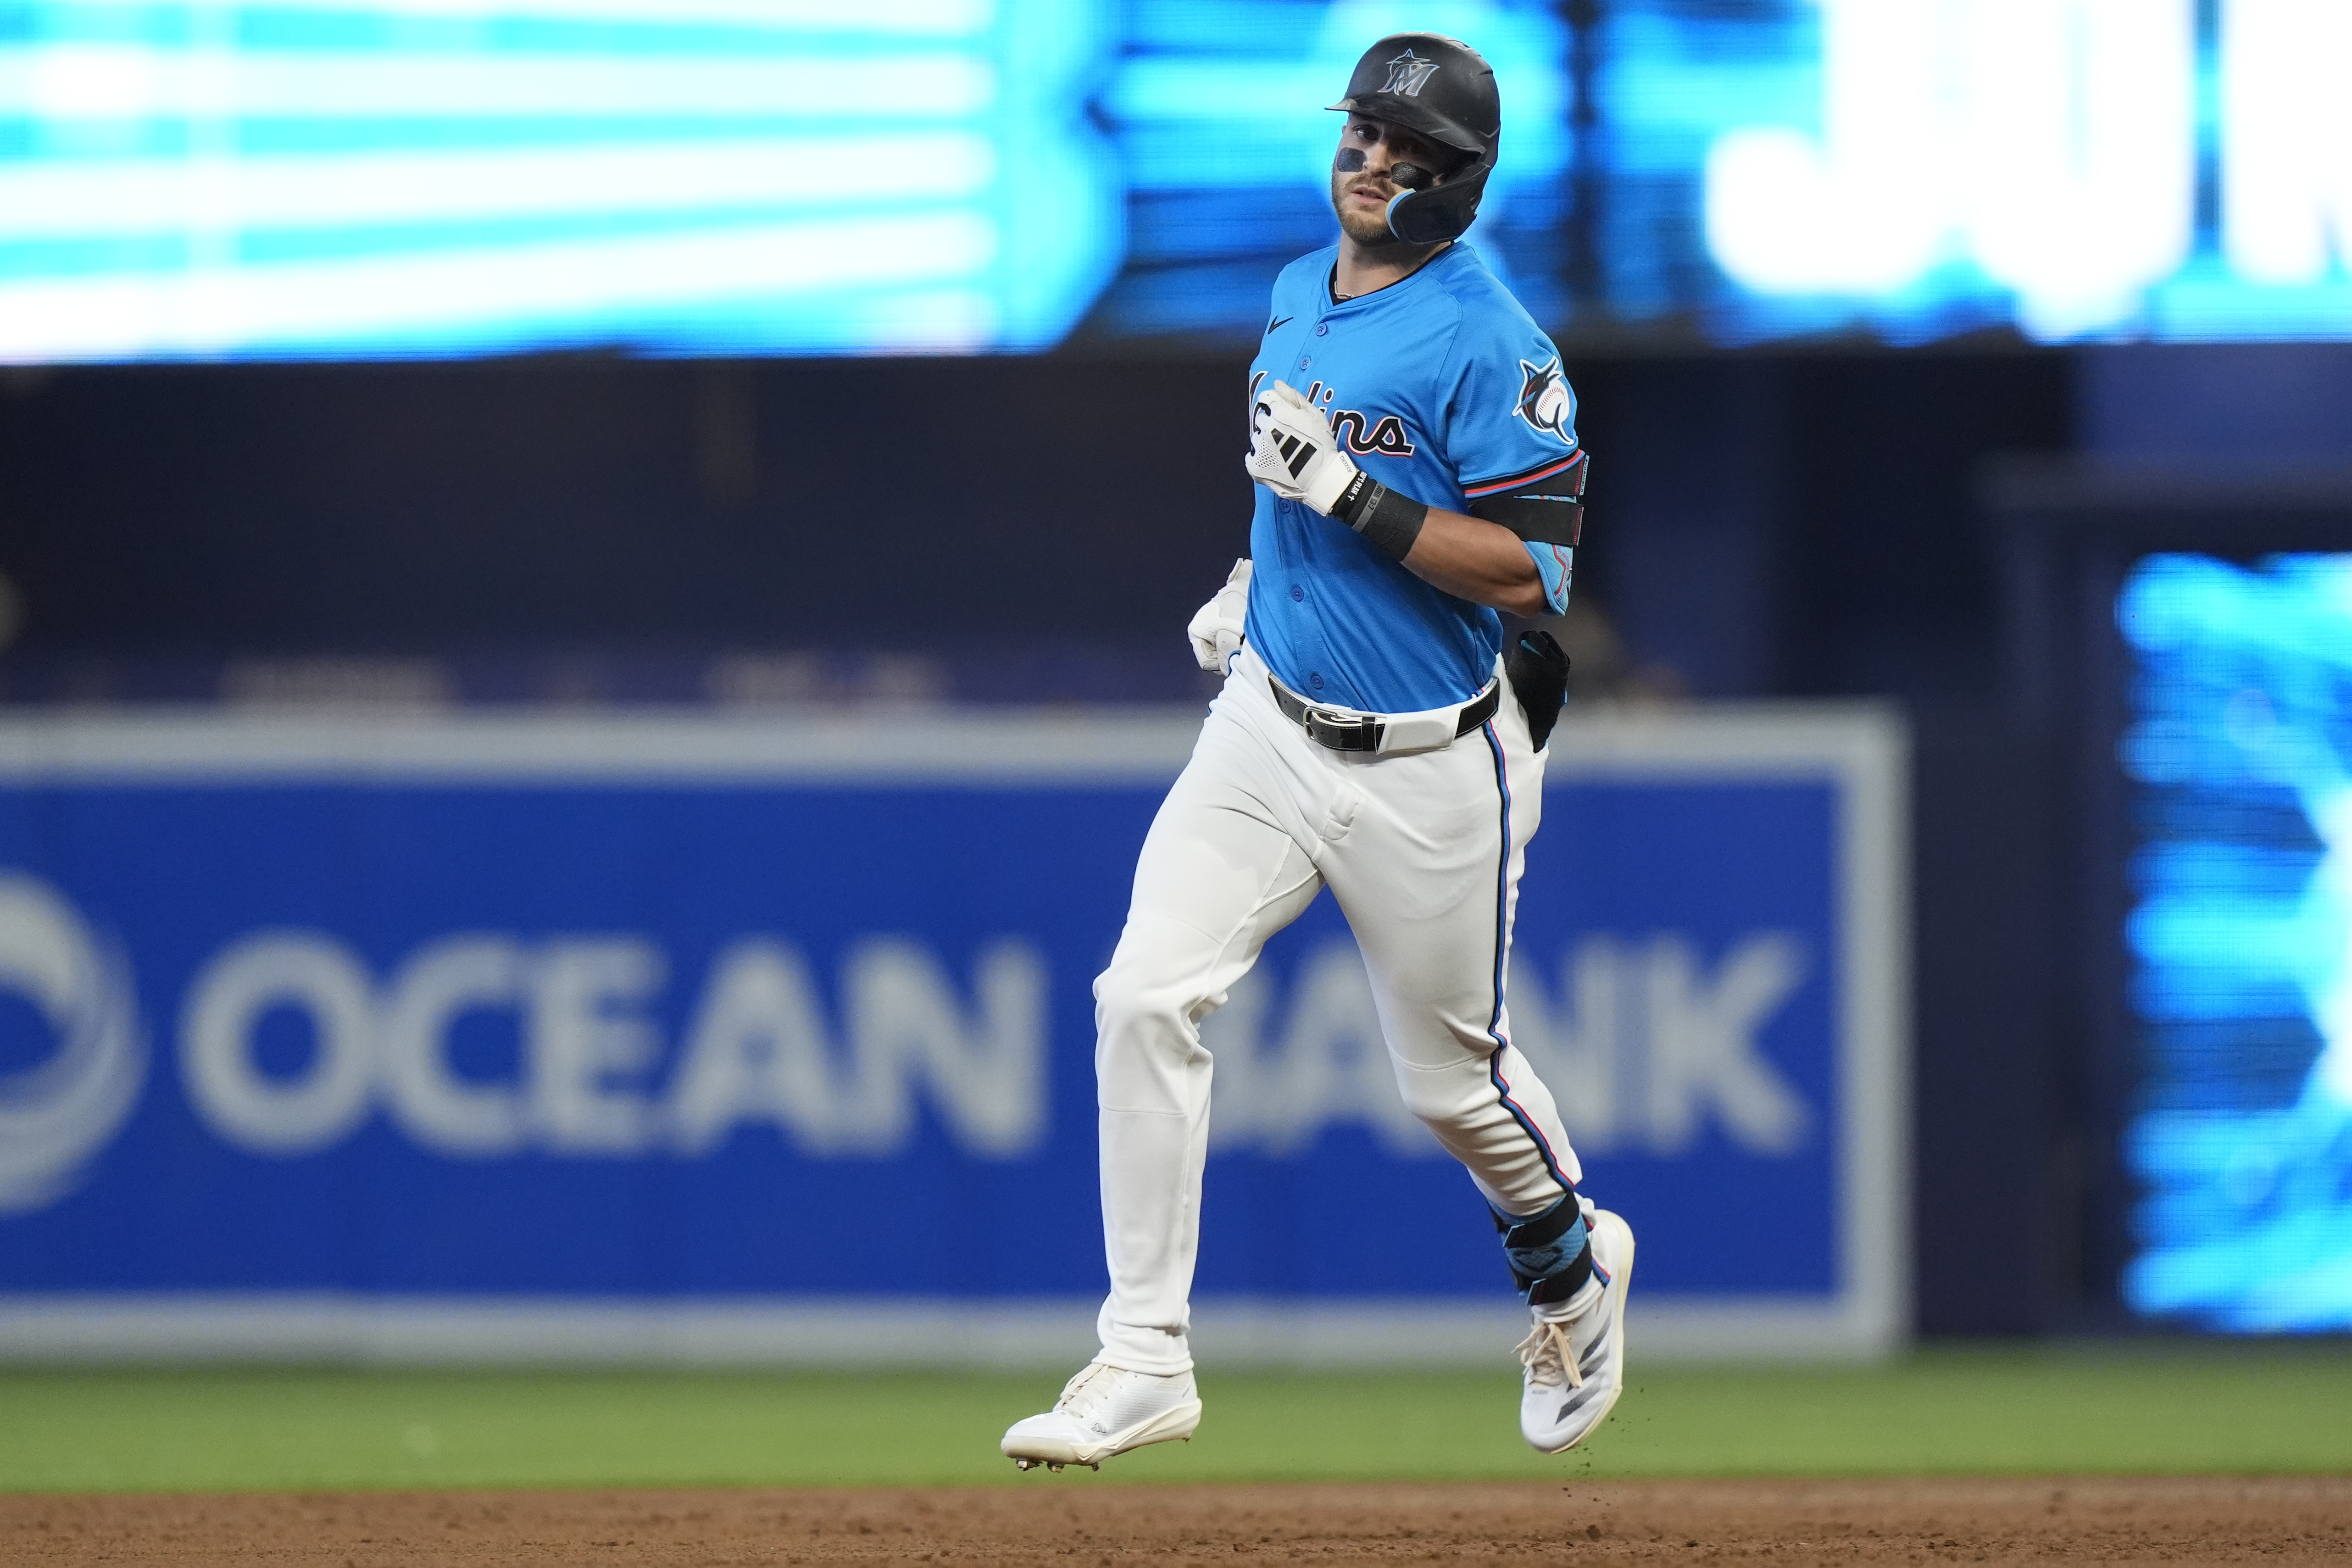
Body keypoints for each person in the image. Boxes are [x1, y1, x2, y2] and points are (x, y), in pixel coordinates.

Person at [1001, 32, 1631, 1471]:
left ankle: (1572, 1271)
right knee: (1144, 996)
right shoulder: (1299, 292)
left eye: (1403, 149)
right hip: (1268, 723)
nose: (1368, 163)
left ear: (1457, 180)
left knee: (1450, 1086)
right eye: (1358, 134)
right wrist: (1260, 575)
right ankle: (1141, 1355)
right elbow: (1296, 498)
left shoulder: (1495, 340)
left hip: (1430, 757)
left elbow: (1538, 576)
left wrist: (1346, 499)